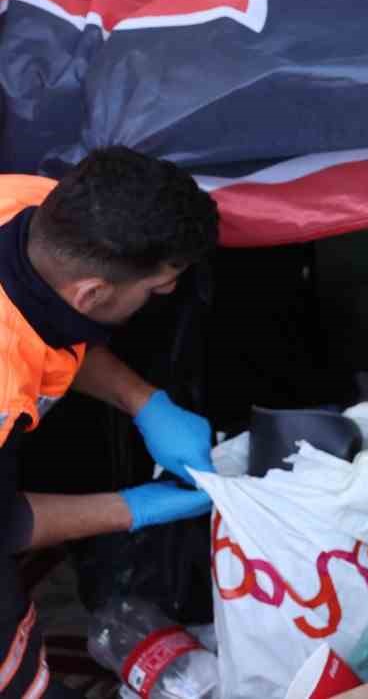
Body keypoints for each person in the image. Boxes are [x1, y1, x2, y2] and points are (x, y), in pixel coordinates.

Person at [0, 148, 220, 699]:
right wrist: (137, 508)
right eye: (157, 289)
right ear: (94, 292)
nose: (163, 297)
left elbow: (51, 321)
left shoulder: (28, 203)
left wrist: (144, 402)